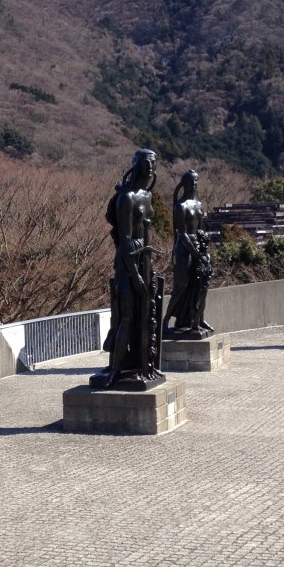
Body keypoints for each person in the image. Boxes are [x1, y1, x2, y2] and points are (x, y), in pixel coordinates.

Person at [92, 149, 165, 390]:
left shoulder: (147, 195)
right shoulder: (127, 198)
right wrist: (134, 275)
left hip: (145, 259)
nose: (151, 166)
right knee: (126, 315)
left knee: (145, 315)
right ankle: (115, 369)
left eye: (153, 162)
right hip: (128, 261)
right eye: (146, 162)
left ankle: (144, 365)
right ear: (136, 165)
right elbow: (124, 239)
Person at [163, 170, 214, 338]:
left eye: (196, 181)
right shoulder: (181, 206)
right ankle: (165, 321)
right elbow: (182, 234)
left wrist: (204, 250)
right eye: (191, 181)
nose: (194, 184)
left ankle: (198, 319)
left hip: (198, 246)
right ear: (184, 184)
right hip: (184, 249)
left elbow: (201, 230)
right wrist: (196, 253)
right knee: (181, 286)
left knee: (199, 286)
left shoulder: (198, 204)